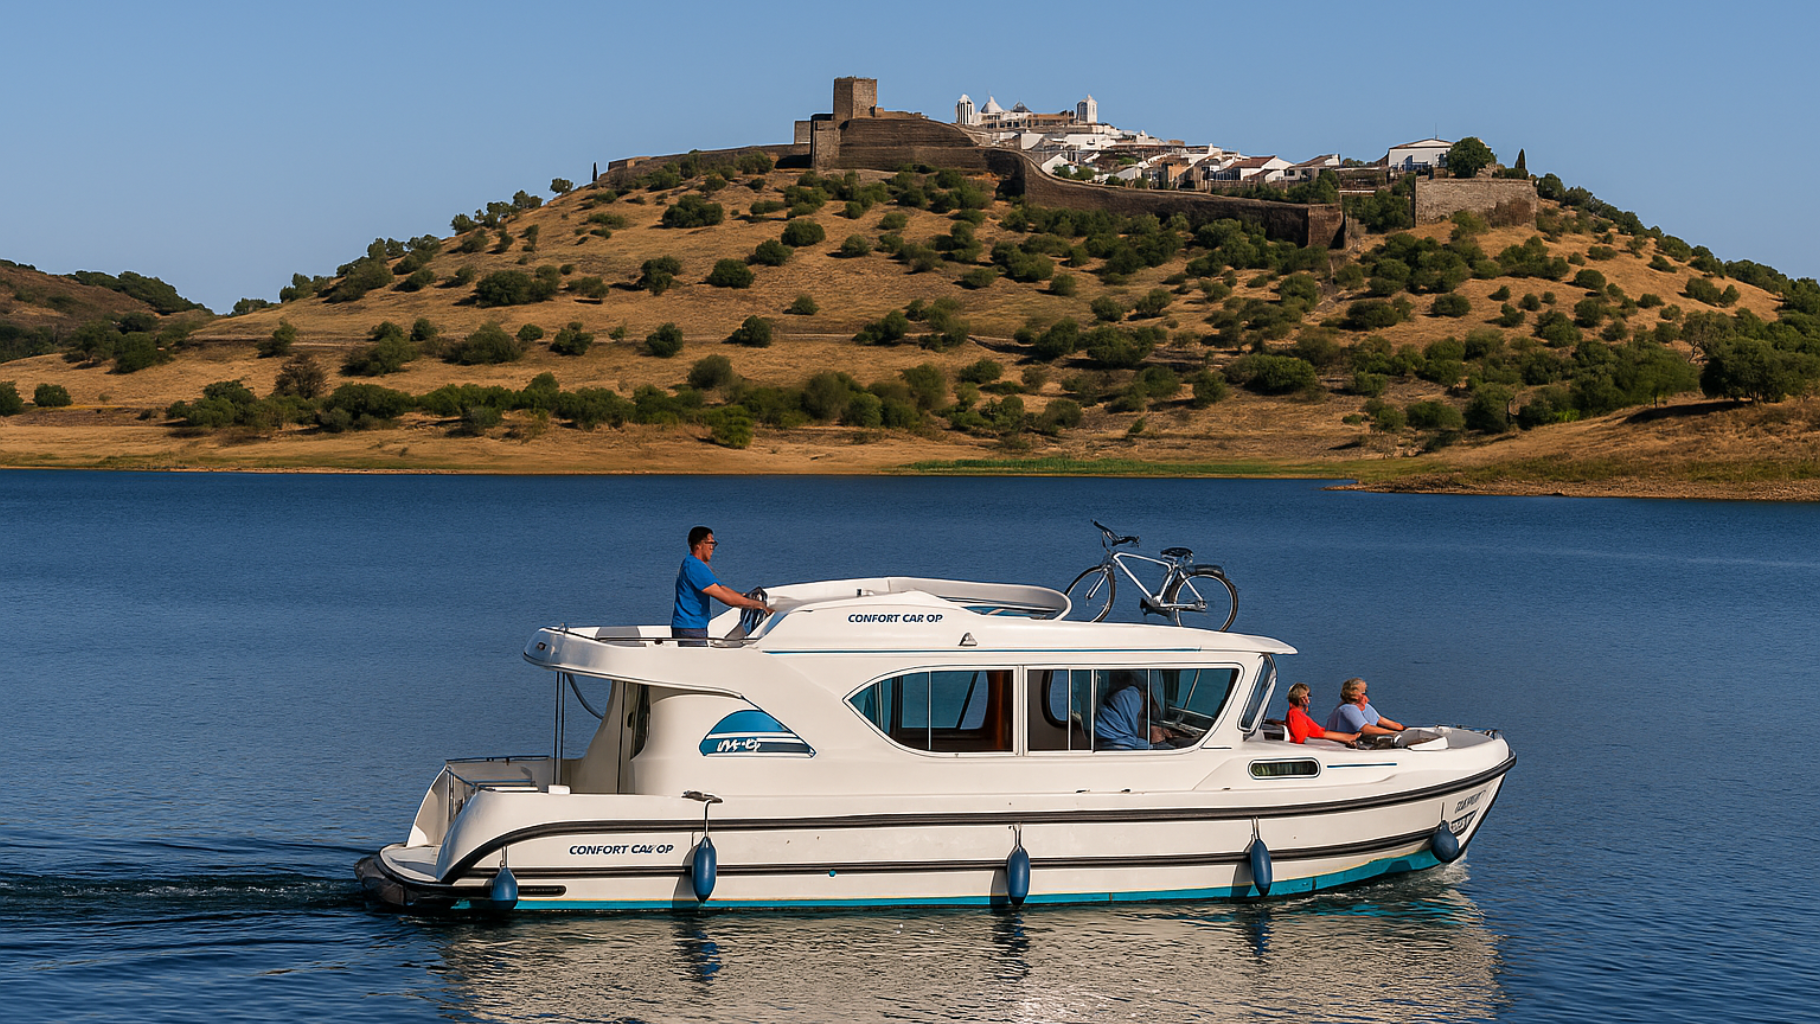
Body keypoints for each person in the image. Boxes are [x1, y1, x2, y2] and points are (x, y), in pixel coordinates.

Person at [672, 526, 771, 647]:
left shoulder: (692, 563)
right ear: (699, 545)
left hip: (691, 626)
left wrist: (743, 596)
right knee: (696, 664)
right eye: (710, 543)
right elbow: (725, 598)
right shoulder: (695, 566)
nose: (712, 548)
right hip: (691, 628)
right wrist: (758, 605)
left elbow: (721, 588)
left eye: (714, 544)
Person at [1094, 672, 1186, 750]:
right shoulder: (1130, 697)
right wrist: (1155, 745)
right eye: (1142, 715)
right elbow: (1119, 744)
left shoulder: (1130, 700)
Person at [1324, 677, 1405, 738]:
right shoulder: (1347, 709)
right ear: (1355, 695)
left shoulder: (1367, 708)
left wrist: (1405, 729)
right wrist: (1394, 733)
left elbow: (1386, 722)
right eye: (1363, 693)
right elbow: (1366, 729)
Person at [1284, 683, 1360, 746]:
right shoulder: (1295, 714)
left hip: (1321, 735)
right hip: (1315, 740)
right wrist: (1349, 737)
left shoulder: (1297, 714)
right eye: (1303, 697)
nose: (1307, 699)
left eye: (1307, 696)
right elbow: (1300, 738)